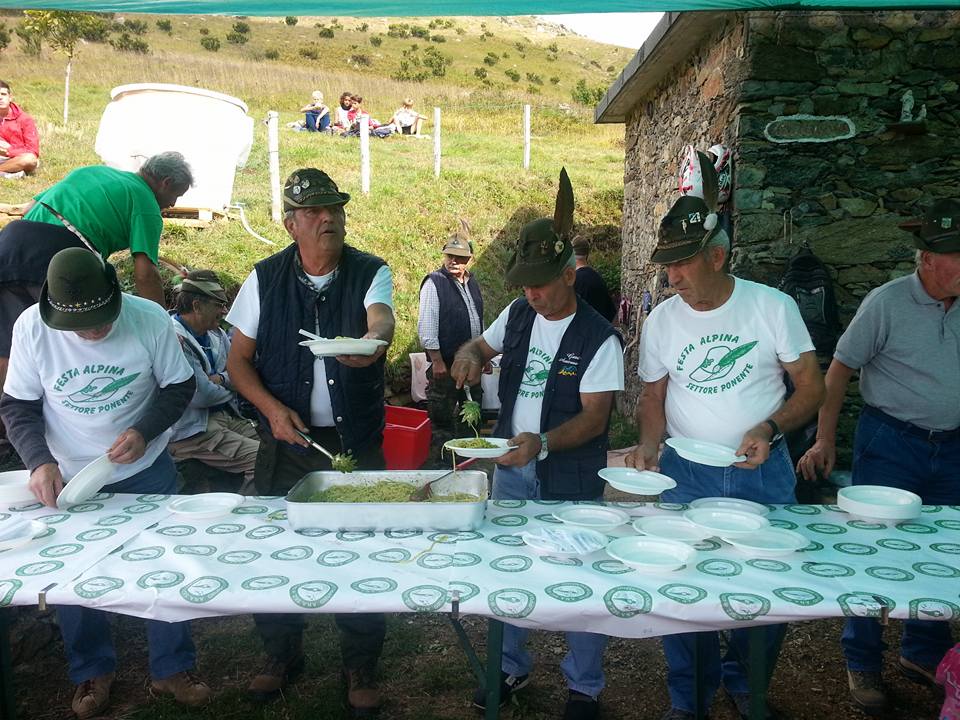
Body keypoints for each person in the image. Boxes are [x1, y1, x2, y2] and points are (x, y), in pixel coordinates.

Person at [625, 194, 824, 720]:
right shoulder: (663, 321)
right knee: (682, 582)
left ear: (717, 256)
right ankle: (689, 699)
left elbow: (811, 386)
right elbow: (653, 398)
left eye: (683, 262)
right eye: (667, 264)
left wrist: (769, 426)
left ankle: (746, 684)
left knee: (767, 582)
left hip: (763, 470)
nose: (672, 277)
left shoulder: (771, 307)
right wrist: (649, 443)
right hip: (686, 474)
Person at [0, 247, 209, 719]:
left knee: (165, 562)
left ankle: (173, 667)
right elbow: (17, 406)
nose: (92, 332)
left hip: (145, 467)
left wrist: (144, 431)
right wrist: (38, 461)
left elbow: (178, 386)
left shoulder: (149, 318)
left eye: (100, 320)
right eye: (79, 326)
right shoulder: (32, 327)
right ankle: (91, 671)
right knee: (75, 575)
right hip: (70, 475)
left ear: (117, 294)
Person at [452, 169, 624, 720]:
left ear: (570, 274)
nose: (531, 293)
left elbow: (596, 420)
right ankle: (510, 667)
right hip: (510, 468)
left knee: (581, 575)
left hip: (569, 475)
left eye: (541, 283)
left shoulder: (600, 337)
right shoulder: (521, 311)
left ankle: (584, 687)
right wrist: (470, 355)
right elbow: (482, 344)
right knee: (507, 569)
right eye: (524, 282)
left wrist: (542, 443)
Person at [225, 168, 394, 715]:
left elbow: (381, 322)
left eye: (336, 209)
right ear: (291, 222)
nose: (330, 219)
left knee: (364, 551)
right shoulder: (264, 279)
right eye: (316, 212)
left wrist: (371, 344)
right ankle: (281, 653)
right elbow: (237, 363)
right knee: (277, 550)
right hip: (287, 441)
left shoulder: (370, 270)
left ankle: (360, 661)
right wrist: (272, 410)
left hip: (355, 442)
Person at [796, 198, 960, 715]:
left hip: (952, 446)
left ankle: (922, 651)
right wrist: (825, 440)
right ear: (927, 259)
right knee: (871, 551)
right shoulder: (887, 303)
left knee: (940, 552)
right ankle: (862, 657)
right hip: (890, 442)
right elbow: (839, 369)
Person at [0, 151, 193, 396]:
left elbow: (31, 205)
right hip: (60, 260)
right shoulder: (145, 202)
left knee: (7, 346)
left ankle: (5, 426)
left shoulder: (93, 171)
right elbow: (146, 274)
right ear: (165, 183)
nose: (173, 205)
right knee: (74, 345)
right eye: (176, 195)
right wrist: (161, 326)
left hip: (11, 242)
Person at [168, 270, 259, 495]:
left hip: (225, 416)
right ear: (197, 306)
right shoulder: (173, 338)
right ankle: (245, 516)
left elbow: (240, 372)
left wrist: (220, 379)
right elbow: (200, 396)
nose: (224, 311)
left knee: (278, 451)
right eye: (219, 304)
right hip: (192, 431)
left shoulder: (216, 334)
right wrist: (233, 384)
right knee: (262, 459)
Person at [418, 221, 484, 446]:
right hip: (444, 366)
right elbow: (427, 325)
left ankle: (468, 467)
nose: (453, 261)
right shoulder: (434, 282)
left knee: (472, 418)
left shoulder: (472, 282)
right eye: (449, 256)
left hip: (471, 364)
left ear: (469, 259)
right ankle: (441, 467)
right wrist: (436, 361)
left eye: (459, 257)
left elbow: (478, 320)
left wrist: (483, 356)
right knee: (442, 424)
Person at [0, 80, 39, 178]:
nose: (0, 98)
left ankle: (4, 171)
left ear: (10, 97)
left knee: (30, 159)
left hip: (15, 158)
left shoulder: (25, 119)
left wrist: (8, 151)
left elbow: (33, 151)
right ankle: (9, 175)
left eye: (3, 94)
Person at [572, 237, 615, 322]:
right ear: (587, 254)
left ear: (571, 254)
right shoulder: (598, 279)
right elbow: (611, 313)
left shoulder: (571, 282)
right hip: (600, 331)